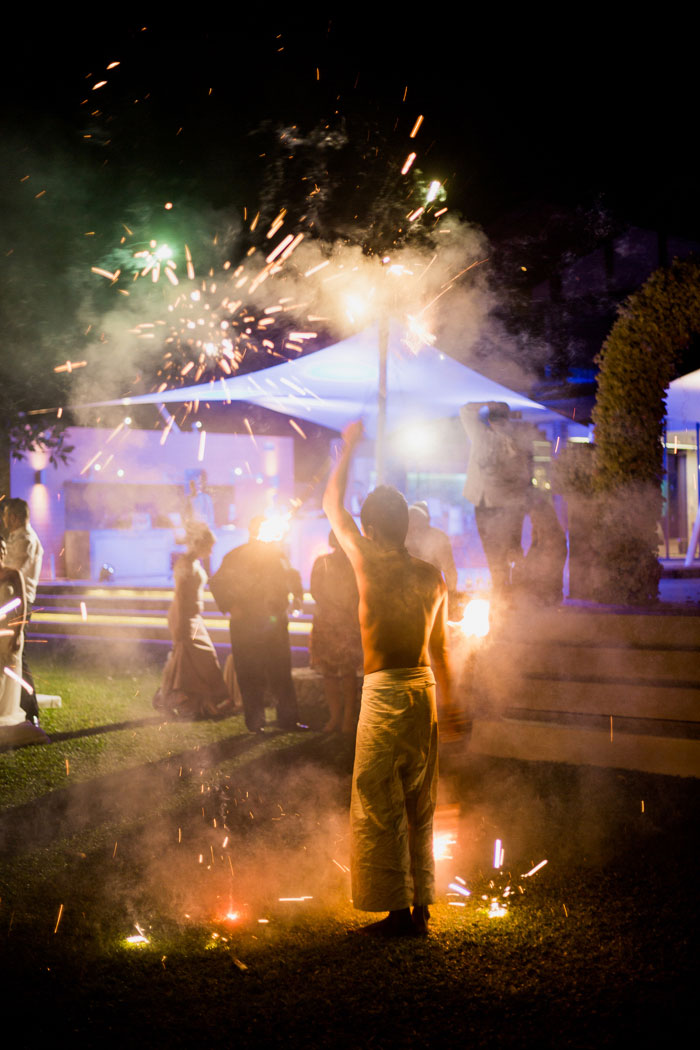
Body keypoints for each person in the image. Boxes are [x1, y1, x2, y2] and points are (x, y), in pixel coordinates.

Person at [323, 421, 462, 938]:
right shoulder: (433, 577)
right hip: (423, 690)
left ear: (375, 530)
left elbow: (332, 506)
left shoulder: (368, 562)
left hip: (384, 693)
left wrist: (350, 447)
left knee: (379, 797)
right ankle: (420, 902)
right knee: (418, 799)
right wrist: (453, 703)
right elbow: (442, 650)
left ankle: (398, 913)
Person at [209, 517, 306, 734]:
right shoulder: (236, 556)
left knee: (281, 673)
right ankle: (255, 723)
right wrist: (231, 606)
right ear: (254, 531)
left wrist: (297, 595)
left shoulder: (277, 555)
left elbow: (292, 577)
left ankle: (288, 720)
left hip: (275, 624)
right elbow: (217, 582)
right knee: (250, 674)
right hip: (246, 625)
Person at [153, 521, 235, 720]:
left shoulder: (195, 562)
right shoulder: (185, 563)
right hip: (185, 616)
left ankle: (192, 702)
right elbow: (180, 594)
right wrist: (181, 624)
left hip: (193, 616)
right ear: (199, 544)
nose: (212, 550)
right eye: (210, 546)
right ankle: (169, 698)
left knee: (191, 661)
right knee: (196, 656)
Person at [460, 402, 532, 599]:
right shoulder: (492, 437)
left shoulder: (491, 437)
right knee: (501, 555)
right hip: (492, 504)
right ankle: (504, 592)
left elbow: (466, 411)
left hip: (497, 506)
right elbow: (523, 478)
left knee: (501, 554)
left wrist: (486, 404)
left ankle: (505, 593)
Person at [310, 531, 363, 734]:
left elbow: (359, 590)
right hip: (327, 622)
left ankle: (348, 718)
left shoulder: (355, 563)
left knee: (348, 671)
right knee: (329, 672)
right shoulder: (321, 562)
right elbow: (316, 590)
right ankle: (335, 717)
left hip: (348, 623)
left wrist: (347, 610)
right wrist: (333, 607)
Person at [0, 538, 47, 747]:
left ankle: (8, 711)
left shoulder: (13, 574)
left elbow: (23, 604)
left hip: (10, 631)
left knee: (7, 671)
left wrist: (18, 633)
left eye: (2, 549)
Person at [2, 497, 43, 725]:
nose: (4, 520)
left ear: (14, 517)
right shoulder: (18, 537)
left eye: (5, 516)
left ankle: (31, 709)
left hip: (18, 604)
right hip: (9, 602)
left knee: (18, 656)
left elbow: (13, 571)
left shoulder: (26, 539)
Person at [405, 502, 459, 614]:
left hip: (432, 594)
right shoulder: (402, 539)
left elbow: (450, 571)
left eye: (419, 523)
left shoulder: (438, 538)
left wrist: (452, 597)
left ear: (427, 520)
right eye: (413, 524)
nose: (416, 530)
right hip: (406, 596)